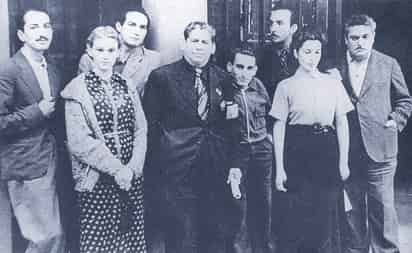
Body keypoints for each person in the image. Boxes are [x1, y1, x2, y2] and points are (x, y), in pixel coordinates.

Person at [143, 21, 237, 253]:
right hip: (176, 171)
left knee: (213, 234)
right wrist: (157, 171)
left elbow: (231, 128)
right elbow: (150, 129)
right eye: (194, 41)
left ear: (213, 47)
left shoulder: (224, 79)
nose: (199, 46)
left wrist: (233, 164)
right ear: (183, 44)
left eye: (205, 42)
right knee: (180, 235)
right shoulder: (162, 78)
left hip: (214, 169)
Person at [61, 26, 148, 253]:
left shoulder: (126, 85)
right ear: (89, 51)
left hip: (130, 178)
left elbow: (140, 129)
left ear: (118, 52)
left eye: (111, 50)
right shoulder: (76, 90)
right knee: (100, 241)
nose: (106, 56)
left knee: (130, 236)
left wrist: (132, 169)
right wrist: (117, 170)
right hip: (97, 179)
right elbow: (79, 142)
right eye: (100, 49)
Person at [270, 27, 353, 253]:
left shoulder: (333, 83)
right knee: (295, 216)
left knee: (325, 215)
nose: (312, 58)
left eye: (317, 52)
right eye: (307, 52)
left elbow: (342, 123)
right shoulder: (285, 86)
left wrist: (343, 162)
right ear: (296, 53)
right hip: (296, 150)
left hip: (327, 150)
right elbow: (279, 127)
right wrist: (280, 169)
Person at [338, 14, 412, 253]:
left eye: (364, 37)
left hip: (381, 147)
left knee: (382, 207)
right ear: (346, 40)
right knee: (353, 209)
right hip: (348, 150)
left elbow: (405, 100)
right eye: (354, 37)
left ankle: (387, 251)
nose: (359, 42)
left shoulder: (388, 63)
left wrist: (395, 120)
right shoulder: (334, 66)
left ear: (373, 37)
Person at [0, 8, 65, 253]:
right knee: (44, 236)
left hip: (51, 160)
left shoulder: (53, 69)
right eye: (34, 27)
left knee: (54, 234)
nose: (42, 33)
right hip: (25, 163)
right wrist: (37, 111)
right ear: (21, 34)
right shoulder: (9, 70)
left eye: (46, 26)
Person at [222, 47, 274, 253]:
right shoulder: (224, 88)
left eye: (249, 68)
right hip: (238, 152)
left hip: (262, 151)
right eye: (239, 67)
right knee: (238, 206)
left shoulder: (259, 87)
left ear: (255, 69)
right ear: (230, 67)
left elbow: (269, 115)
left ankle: (264, 248)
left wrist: (268, 140)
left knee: (264, 203)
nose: (244, 72)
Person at [78, 7, 161, 97]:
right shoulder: (90, 58)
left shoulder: (153, 59)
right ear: (119, 26)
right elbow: (82, 97)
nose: (137, 32)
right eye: (132, 25)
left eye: (142, 27)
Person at [257, 7, 298, 99]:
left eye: (279, 23)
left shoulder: (303, 54)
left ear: (293, 28)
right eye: (271, 23)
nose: (273, 29)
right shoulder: (260, 56)